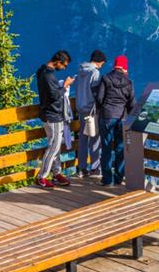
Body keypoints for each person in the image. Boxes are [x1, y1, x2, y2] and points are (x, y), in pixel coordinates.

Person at [35, 50, 74, 189]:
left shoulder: (42, 71)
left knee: (55, 145)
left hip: (46, 114)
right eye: (64, 65)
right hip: (54, 115)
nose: (64, 68)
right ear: (58, 62)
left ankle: (56, 173)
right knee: (54, 146)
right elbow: (54, 96)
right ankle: (42, 177)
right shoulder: (49, 76)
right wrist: (65, 86)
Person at [95, 54, 135, 187]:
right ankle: (118, 177)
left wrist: (102, 109)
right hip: (121, 118)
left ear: (115, 65)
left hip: (106, 116)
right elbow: (131, 103)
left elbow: (99, 99)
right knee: (120, 148)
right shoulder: (129, 82)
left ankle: (107, 179)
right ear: (125, 68)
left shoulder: (106, 78)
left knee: (106, 148)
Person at [75, 50, 107, 177]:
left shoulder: (80, 70)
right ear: (99, 61)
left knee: (83, 139)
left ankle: (81, 168)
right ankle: (95, 168)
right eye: (102, 63)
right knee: (94, 139)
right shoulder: (95, 72)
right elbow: (96, 94)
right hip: (92, 111)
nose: (102, 65)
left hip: (81, 109)